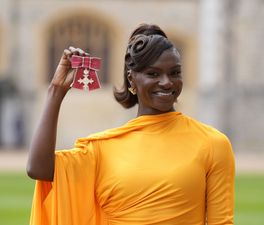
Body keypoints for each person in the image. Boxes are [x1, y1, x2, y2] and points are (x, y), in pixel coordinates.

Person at [27, 23, 235, 225]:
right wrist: (56, 91)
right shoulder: (103, 149)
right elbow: (38, 169)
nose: (167, 82)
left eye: (175, 73)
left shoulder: (212, 143)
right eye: (153, 74)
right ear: (132, 79)